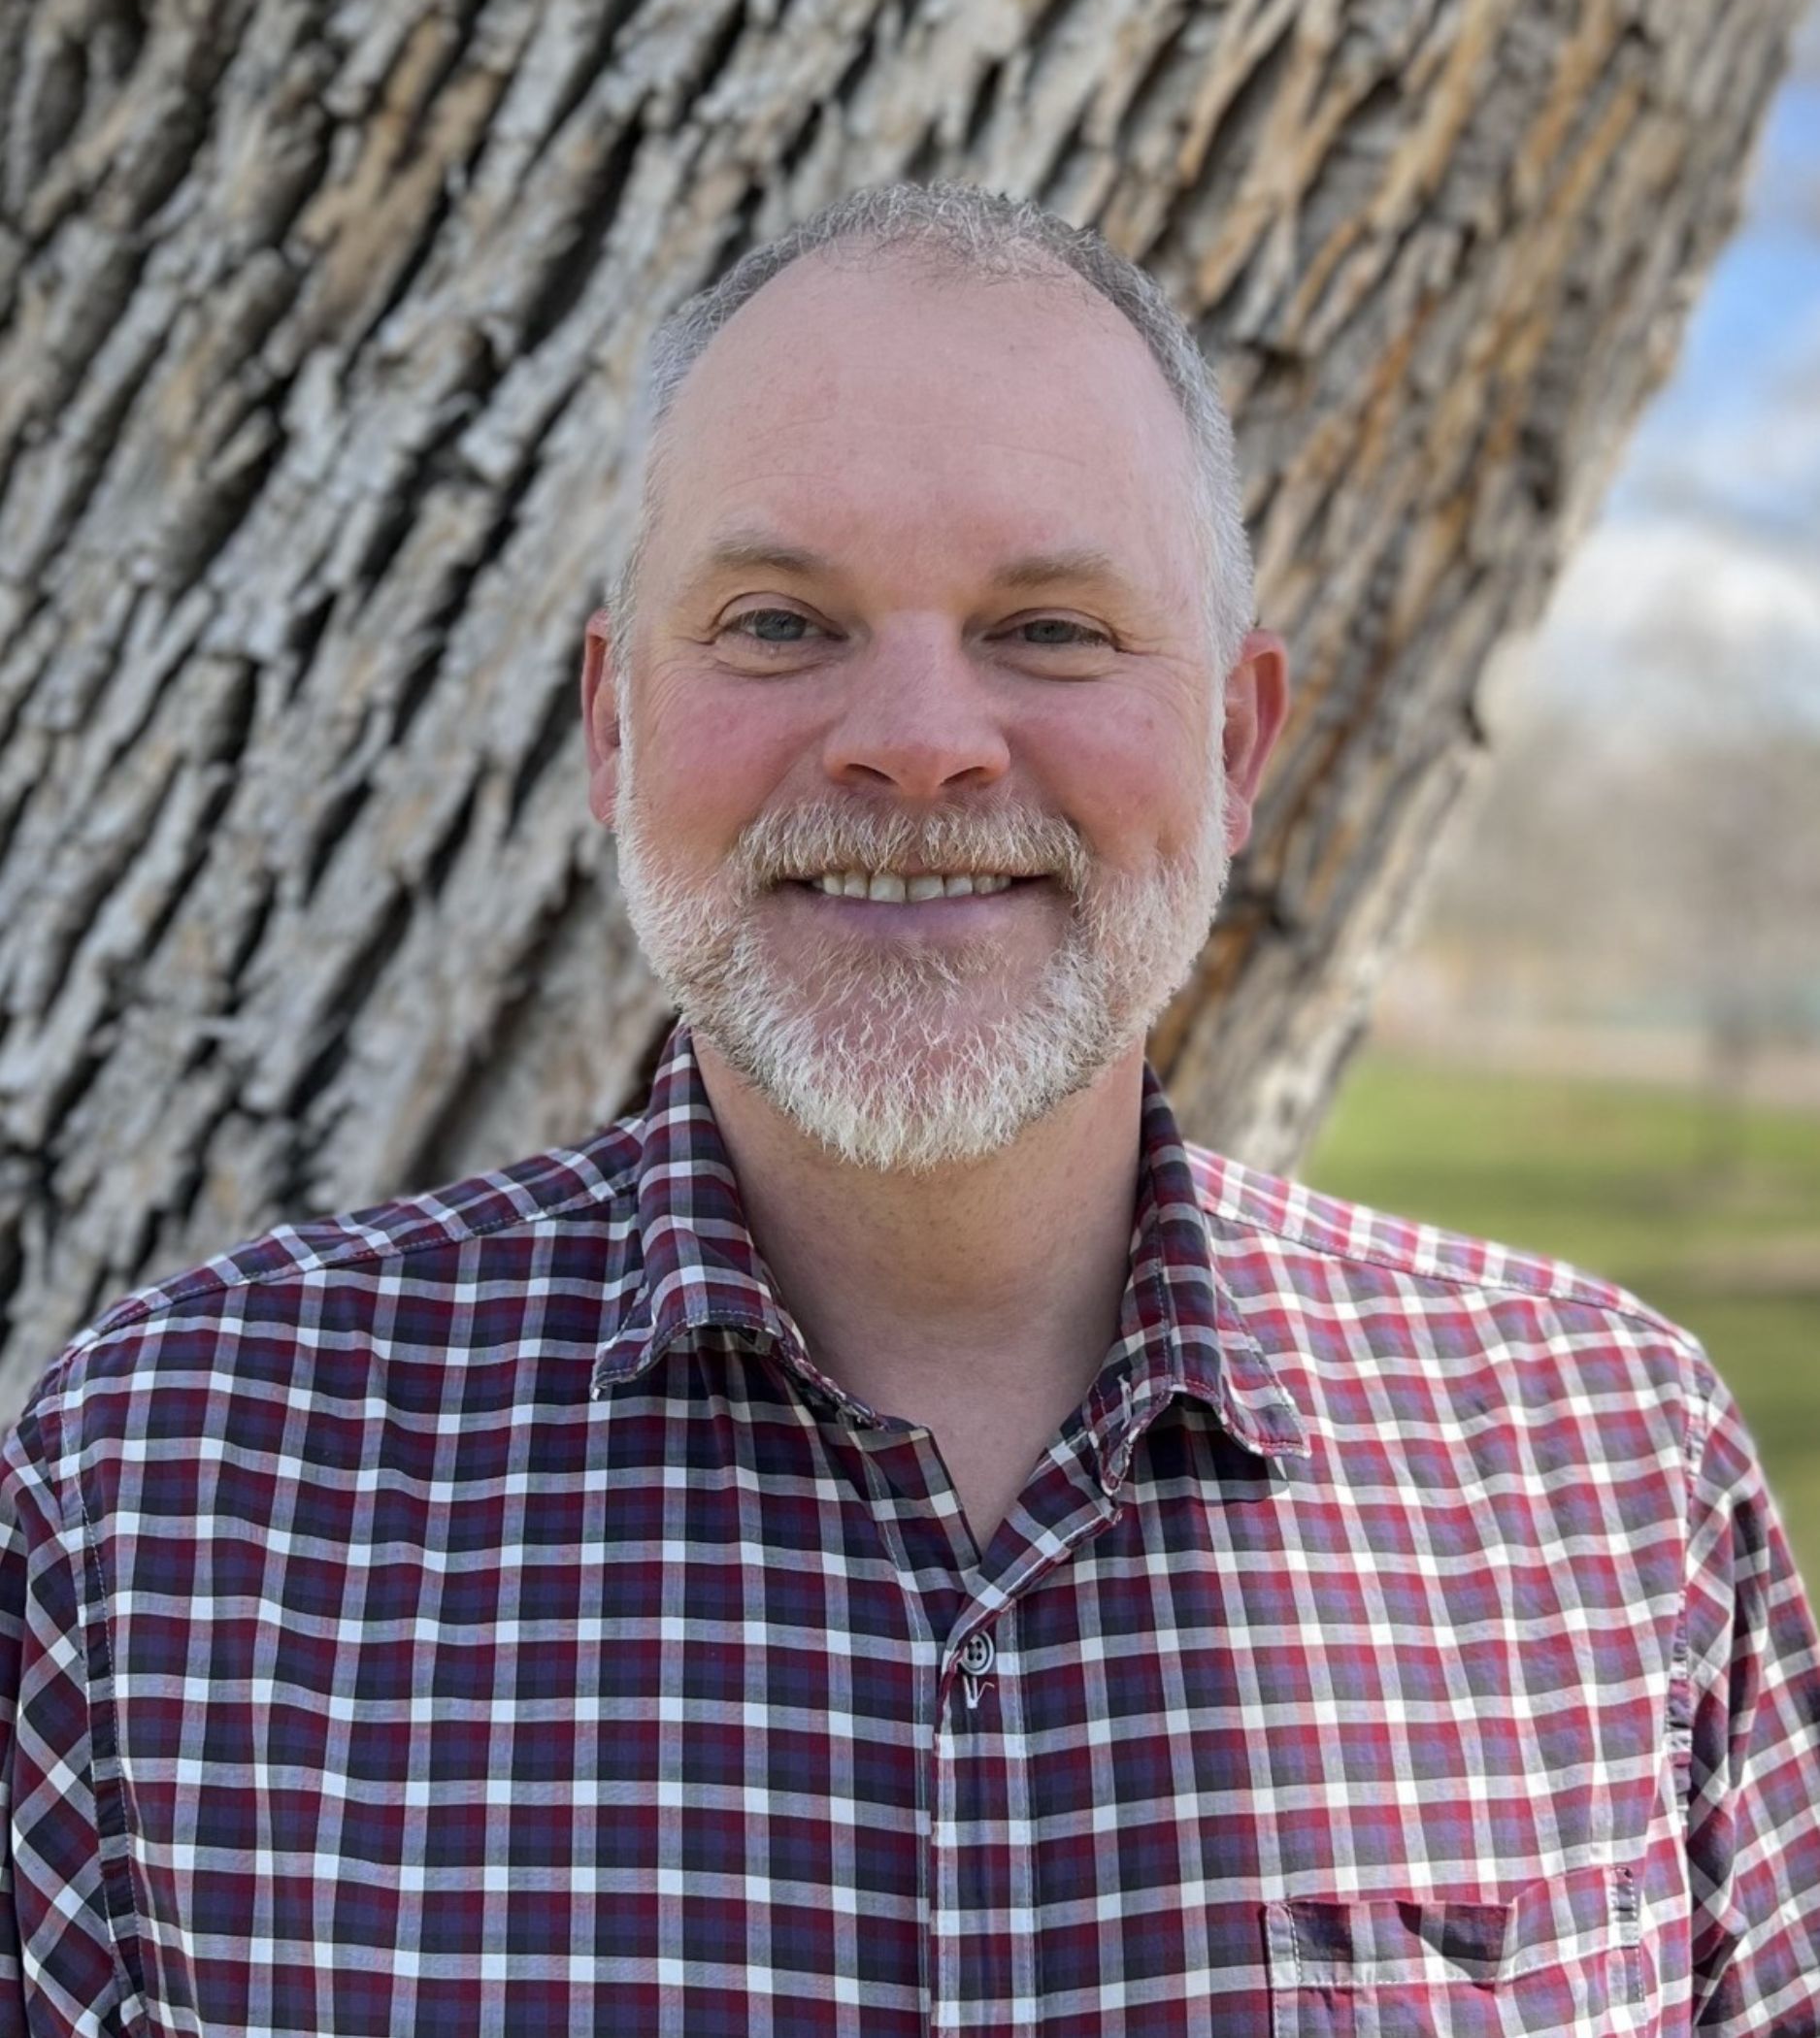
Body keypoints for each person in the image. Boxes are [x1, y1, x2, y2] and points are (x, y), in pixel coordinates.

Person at [2, 181, 1815, 2036]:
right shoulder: (170, 1492)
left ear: (1238, 742)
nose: (921, 739)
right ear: (615, 732)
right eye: (783, 623)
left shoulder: (1615, 1480)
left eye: (1051, 630)